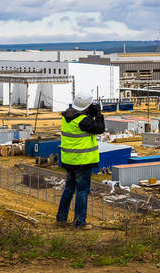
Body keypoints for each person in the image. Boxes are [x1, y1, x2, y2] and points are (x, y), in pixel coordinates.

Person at [56, 90, 105, 229]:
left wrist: (90, 113)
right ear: (87, 106)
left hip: (68, 160)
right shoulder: (83, 120)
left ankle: (61, 218)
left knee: (69, 188)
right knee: (82, 191)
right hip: (81, 161)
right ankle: (79, 222)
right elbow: (100, 128)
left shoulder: (67, 116)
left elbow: (82, 120)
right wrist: (99, 115)